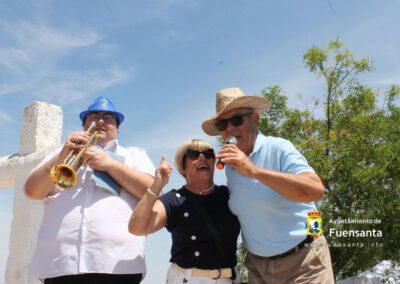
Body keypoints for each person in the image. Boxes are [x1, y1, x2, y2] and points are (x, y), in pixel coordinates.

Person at [201, 87, 335, 284]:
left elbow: (315, 190)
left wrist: (253, 170)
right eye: (222, 124)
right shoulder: (230, 168)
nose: (229, 128)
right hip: (259, 270)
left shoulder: (279, 147)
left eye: (237, 119)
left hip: (305, 262)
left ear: (255, 119)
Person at [24, 96, 155, 284]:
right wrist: (63, 155)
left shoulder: (134, 155)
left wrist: (110, 165)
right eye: (94, 116)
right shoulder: (60, 154)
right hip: (59, 266)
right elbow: (32, 191)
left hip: (117, 265)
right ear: (84, 125)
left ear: (117, 128)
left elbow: (151, 190)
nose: (100, 121)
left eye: (108, 118)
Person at [129, 139, 241, 284]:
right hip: (188, 279)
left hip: (229, 279)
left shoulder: (227, 195)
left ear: (214, 161)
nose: (202, 157)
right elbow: (136, 228)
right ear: (183, 167)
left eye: (208, 154)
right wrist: (156, 186)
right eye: (194, 154)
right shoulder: (173, 200)